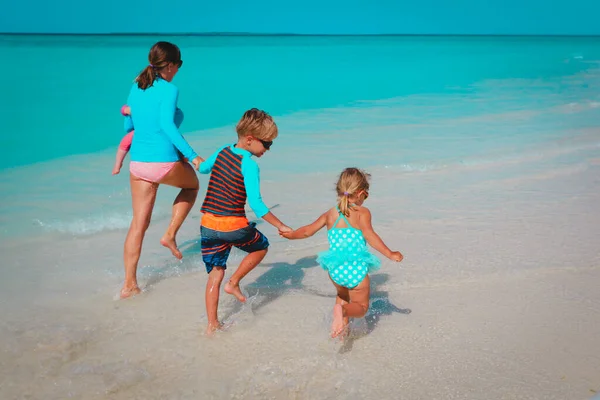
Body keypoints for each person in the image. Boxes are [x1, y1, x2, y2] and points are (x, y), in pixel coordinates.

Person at [121, 41, 204, 299]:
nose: (178, 70)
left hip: (138, 165)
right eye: (178, 65)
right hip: (163, 162)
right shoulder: (169, 89)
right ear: (168, 65)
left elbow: (128, 127)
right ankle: (169, 234)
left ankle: (129, 285)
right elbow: (168, 126)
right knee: (192, 186)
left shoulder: (136, 86)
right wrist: (193, 156)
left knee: (138, 224)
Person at [198, 108, 291, 335]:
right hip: (234, 227)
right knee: (261, 247)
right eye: (267, 144)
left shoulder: (221, 151)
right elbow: (257, 206)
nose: (267, 150)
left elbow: (202, 168)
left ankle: (212, 324)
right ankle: (235, 282)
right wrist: (280, 225)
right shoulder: (249, 164)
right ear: (250, 140)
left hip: (208, 225)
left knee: (215, 273)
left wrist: (191, 157)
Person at [280, 168, 403, 338]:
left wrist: (291, 235)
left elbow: (308, 231)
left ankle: (342, 332)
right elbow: (370, 235)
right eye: (365, 196)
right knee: (361, 307)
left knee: (342, 294)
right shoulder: (362, 212)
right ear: (360, 194)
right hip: (356, 269)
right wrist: (390, 253)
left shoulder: (330, 214)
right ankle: (342, 311)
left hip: (335, 269)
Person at [112, 105, 184, 175]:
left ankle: (183, 157)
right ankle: (118, 164)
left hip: (157, 127)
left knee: (176, 138)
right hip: (144, 128)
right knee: (125, 142)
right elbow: (124, 109)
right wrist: (126, 110)